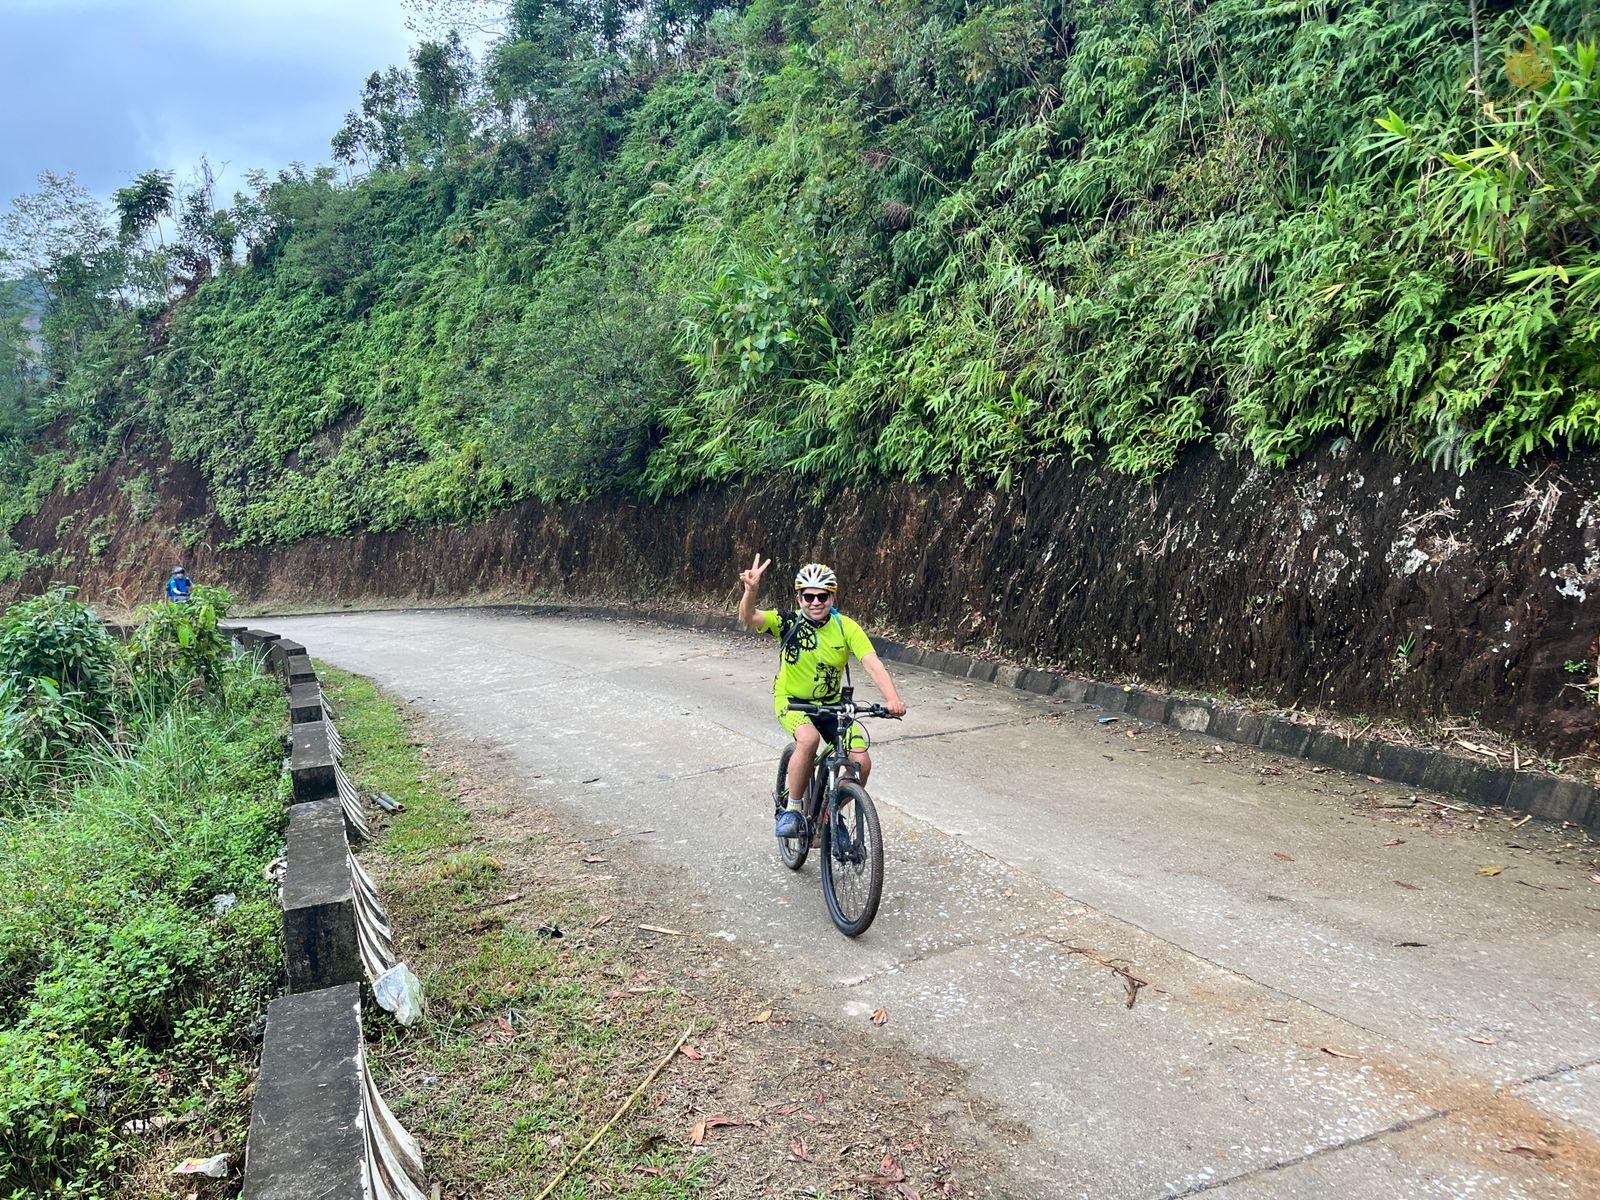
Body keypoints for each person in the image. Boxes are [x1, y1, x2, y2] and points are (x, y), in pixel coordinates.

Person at [737, 555, 907, 838]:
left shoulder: (846, 627)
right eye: (808, 596)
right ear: (799, 598)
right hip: (792, 701)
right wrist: (751, 592)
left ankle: (830, 817)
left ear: (832, 596)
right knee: (808, 739)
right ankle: (792, 808)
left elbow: (872, 662)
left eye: (822, 596)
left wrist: (893, 699)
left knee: (861, 762)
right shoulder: (787, 621)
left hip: (832, 706)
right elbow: (748, 617)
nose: (815, 602)